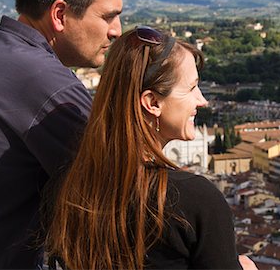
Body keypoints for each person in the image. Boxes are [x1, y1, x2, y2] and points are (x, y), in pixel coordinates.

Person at [0, 0, 124, 268]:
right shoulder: (46, 84)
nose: (116, 32)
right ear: (60, 14)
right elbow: (120, 187)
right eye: (108, 17)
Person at [45, 27, 247, 269]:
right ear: (152, 103)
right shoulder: (195, 201)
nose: (202, 100)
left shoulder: (69, 187)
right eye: (192, 88)